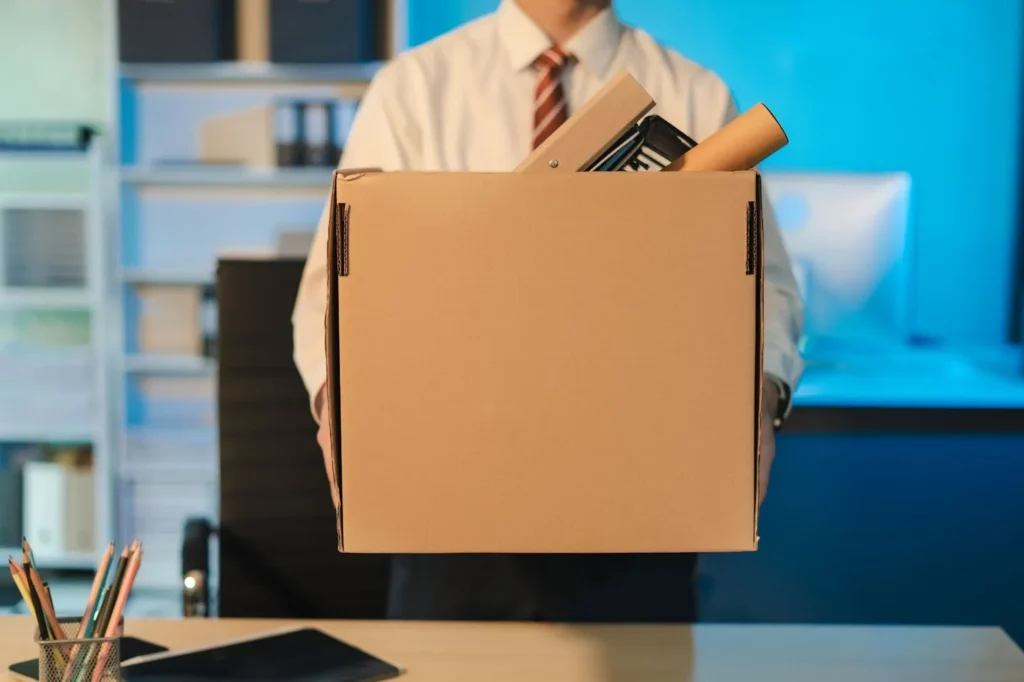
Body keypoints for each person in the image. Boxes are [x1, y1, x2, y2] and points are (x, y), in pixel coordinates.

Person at [292, 0, 804, 622]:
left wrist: (759, 395)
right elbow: (332, 287)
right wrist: (341, 405)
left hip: (638, 499)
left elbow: (765, 285)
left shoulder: (693, 92)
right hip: (454, 506)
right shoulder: (415, 87)